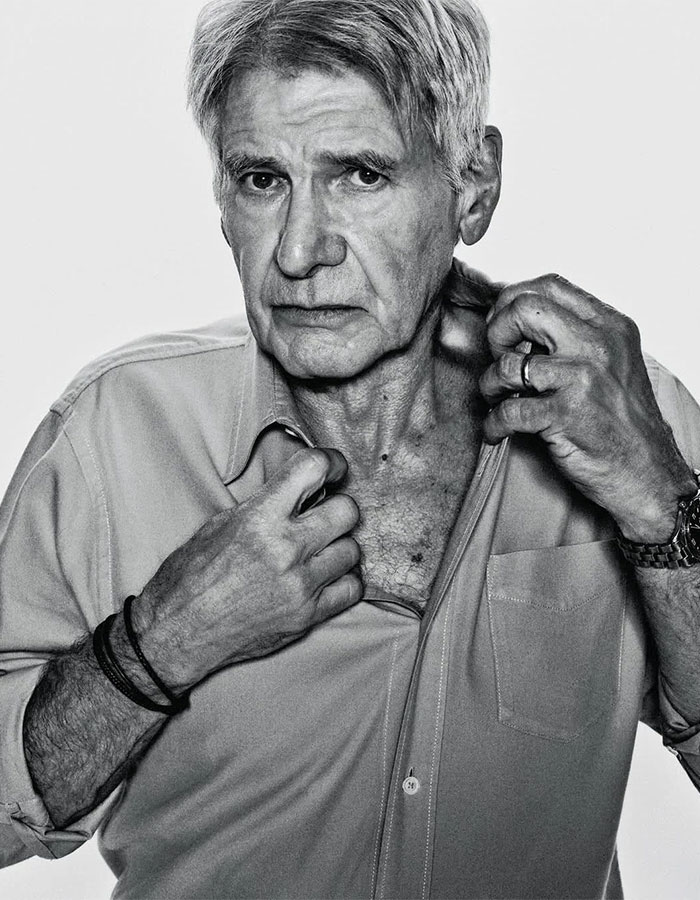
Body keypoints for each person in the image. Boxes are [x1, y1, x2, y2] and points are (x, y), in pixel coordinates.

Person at [1, 1, 699, 897]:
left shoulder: (625, 420)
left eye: (361, 175)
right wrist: (158, 644)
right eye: (262, 179)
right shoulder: (115, 433)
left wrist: (660, 503)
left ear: (473, 185)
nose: (299, 250)